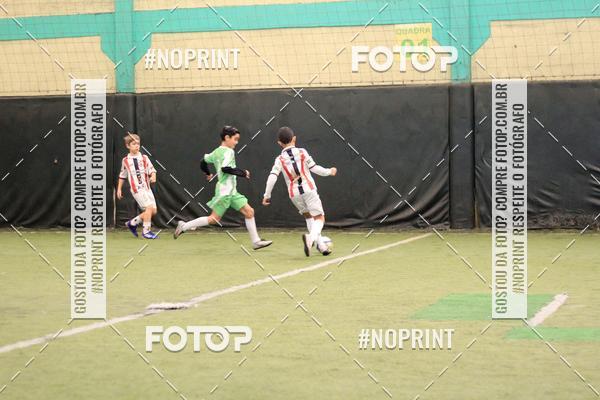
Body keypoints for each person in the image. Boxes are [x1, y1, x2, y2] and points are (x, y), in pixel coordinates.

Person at [174, 125, 272, 250]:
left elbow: (203, 161)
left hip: (232, 192)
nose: (236, 142)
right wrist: (243, 173)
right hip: (225, 193)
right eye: (235, 139)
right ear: (227, 138)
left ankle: (256, 242)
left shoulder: (216, 152)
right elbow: (225, 169)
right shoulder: (229, 152)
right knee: (213, 219)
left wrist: (207, 173)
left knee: (249, 212)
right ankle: (184, 226)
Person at [262, 126, 336, 256]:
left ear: (279, 143)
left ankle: (321, 246)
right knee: (319, 217)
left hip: (294, 194)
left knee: (308, 216)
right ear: (294, 139)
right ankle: (310, 238)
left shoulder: (279, 159)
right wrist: (329, 171)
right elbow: (314, 168)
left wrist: (267, 195)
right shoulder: (302, 152)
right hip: (309, 190)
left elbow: (272, 177)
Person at [117, 133, 158, 239]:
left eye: (138, 144)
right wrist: (119, 189)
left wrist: (153, 176)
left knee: (153, 211)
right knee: (149, 208)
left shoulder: (144, 158)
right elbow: (122, 175)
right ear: (128, 146)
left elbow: (152, 170)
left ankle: (132, 223)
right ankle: (146, 232)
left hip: (147, 188)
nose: (137, 146)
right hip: (137, 189)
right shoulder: (125, 160)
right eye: (134, 144)